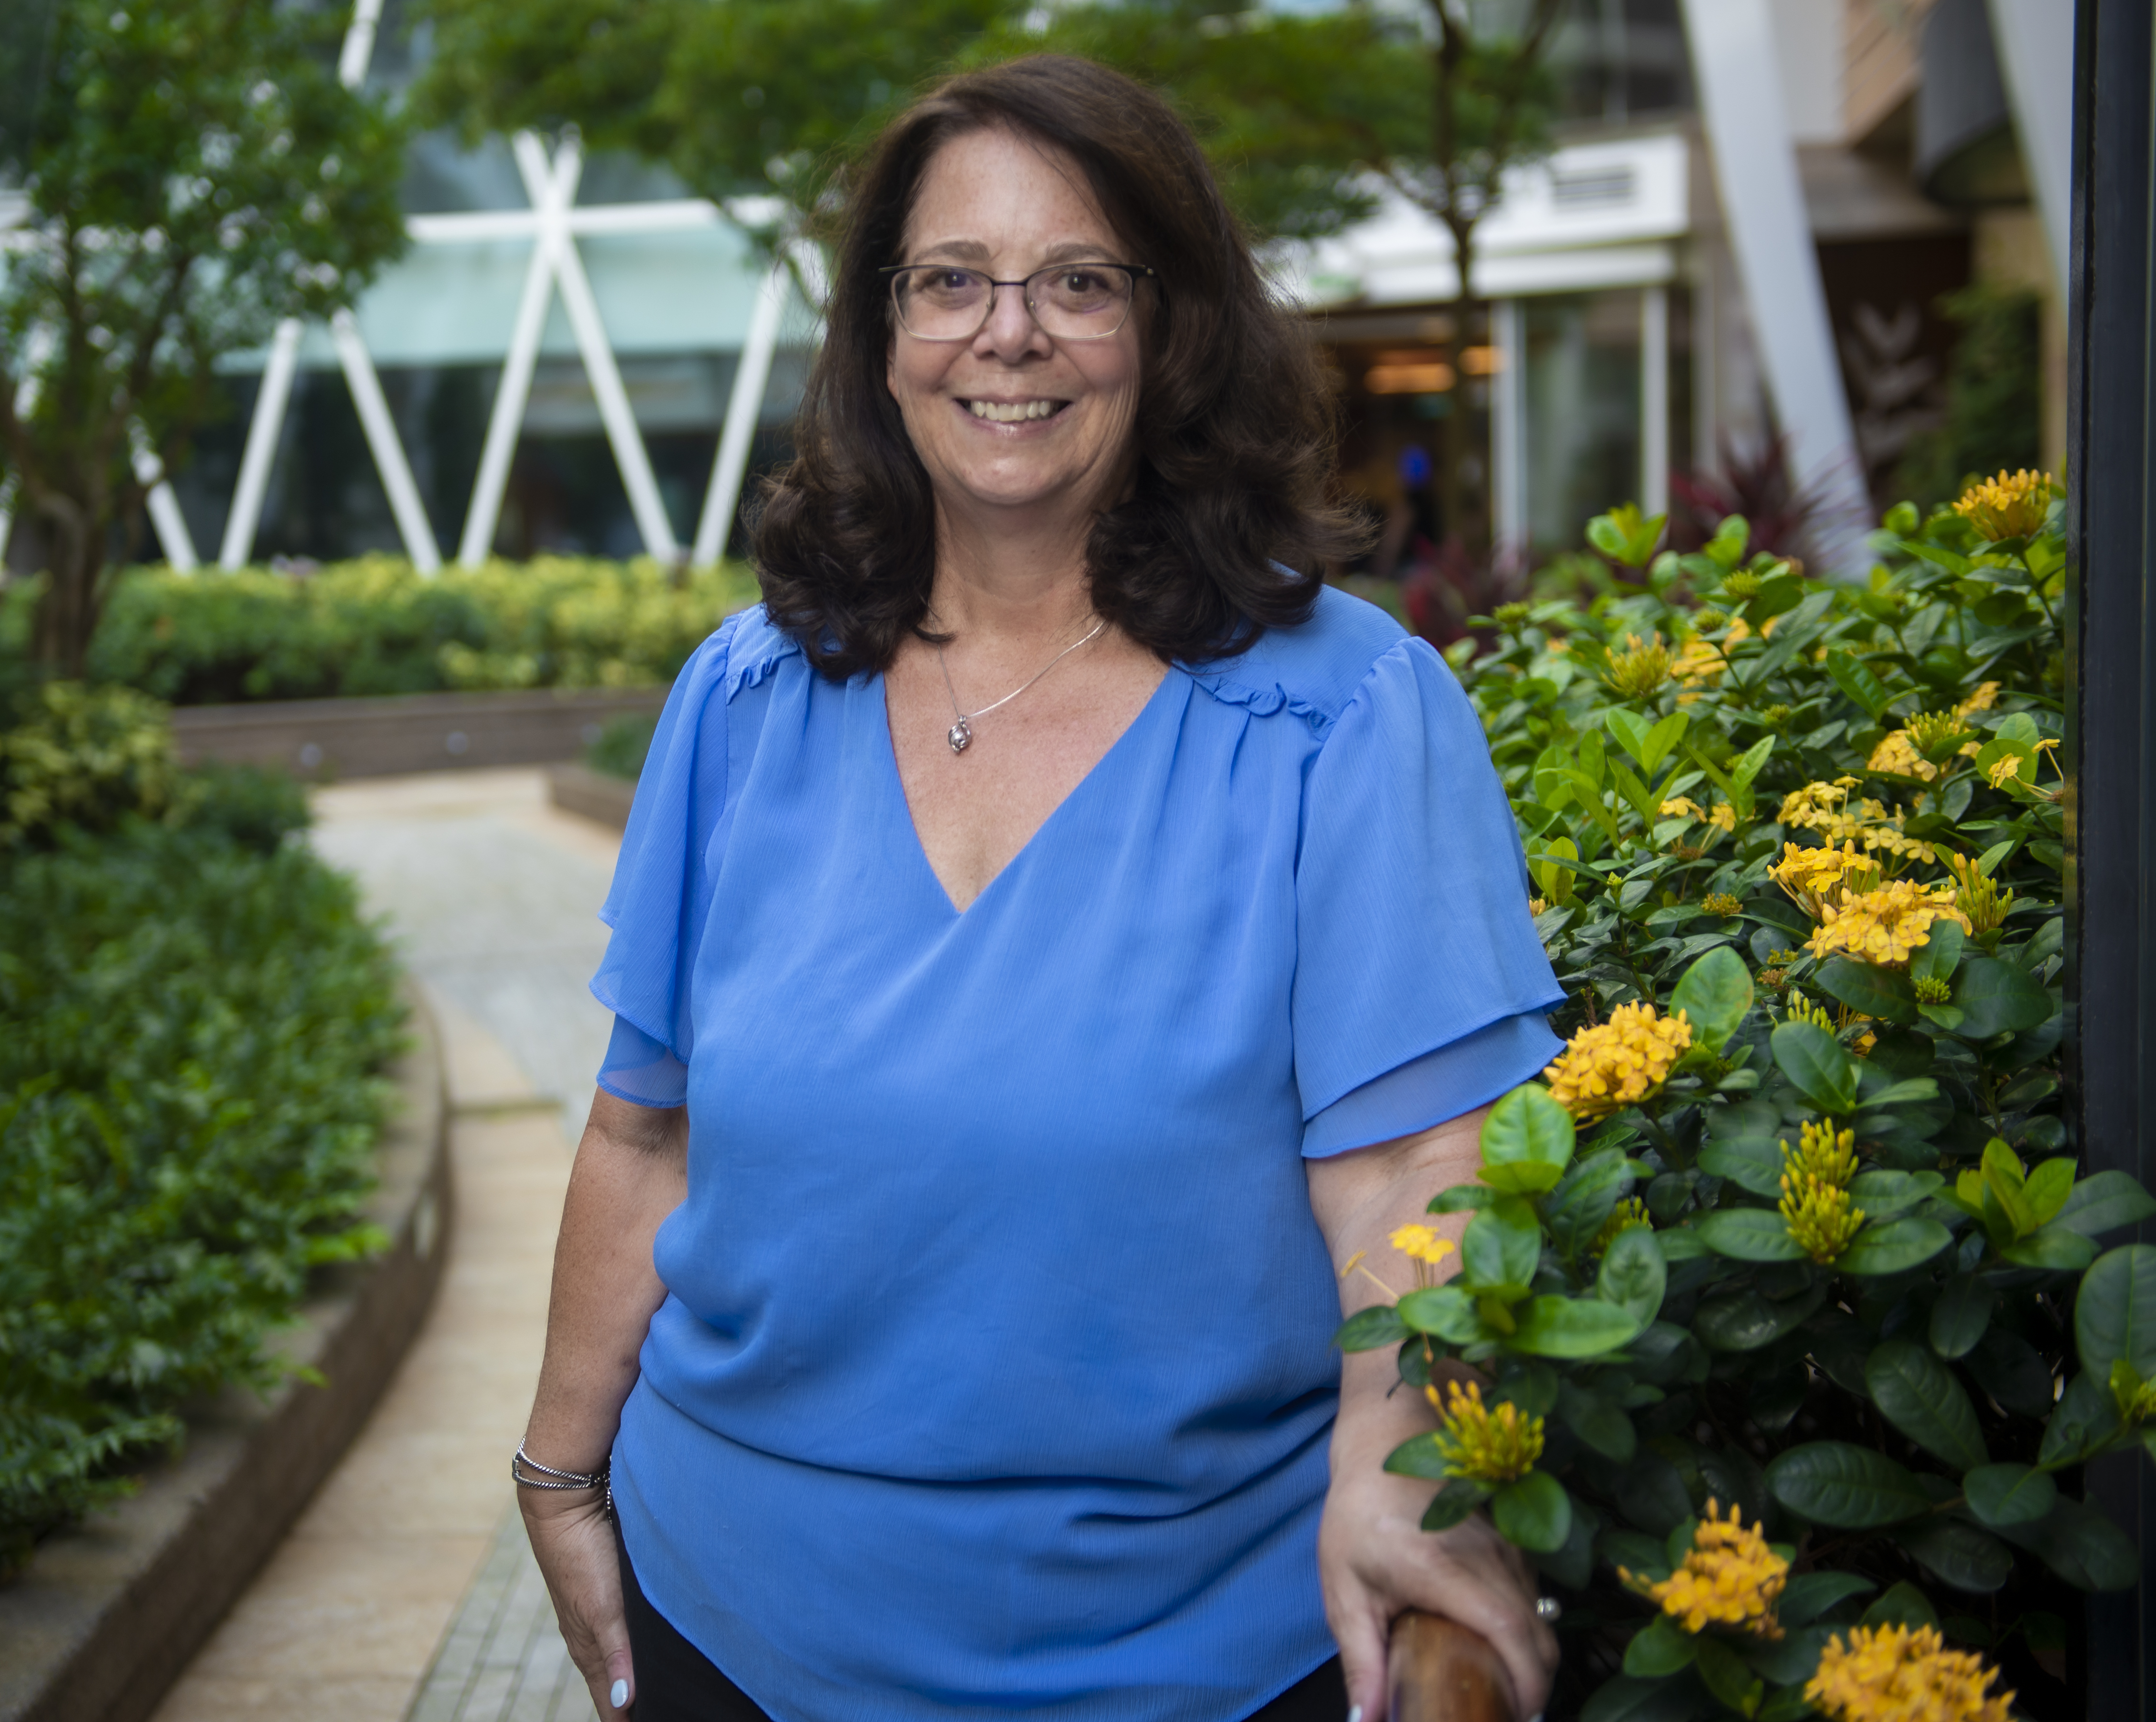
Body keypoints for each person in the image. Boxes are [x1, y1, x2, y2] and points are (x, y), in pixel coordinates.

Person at [514, 54, 1565, 1722]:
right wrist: (559, 1472)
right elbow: (648, 1132)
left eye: (1079, 281)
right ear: (882, 333)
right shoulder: (744, 698)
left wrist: (1398, 1458)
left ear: (1173, 332)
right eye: (952, 281)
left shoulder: (1344, 715)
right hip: (733, 1621)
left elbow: (1418, 1170)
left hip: (1200, 1650)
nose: (1009, 334)